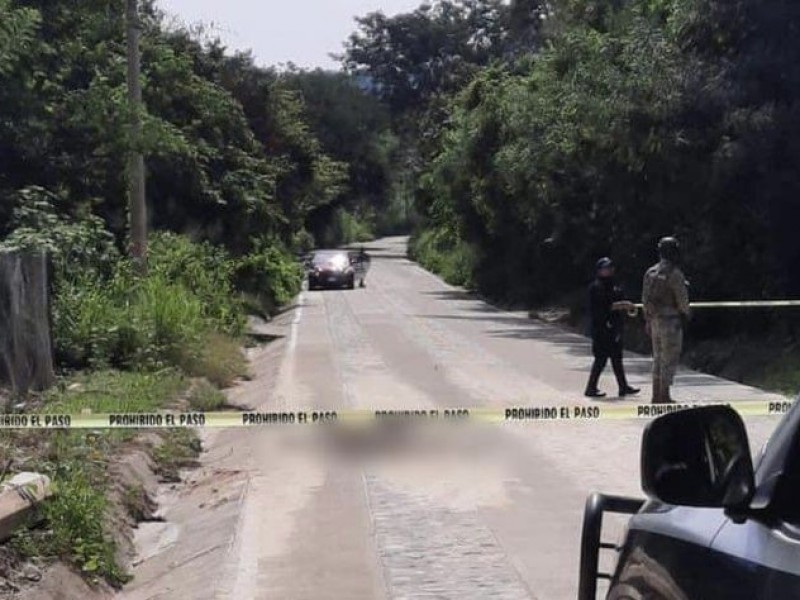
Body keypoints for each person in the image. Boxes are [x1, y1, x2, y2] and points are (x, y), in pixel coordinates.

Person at [642, 237, 691, 404]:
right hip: (671, 322)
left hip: (655, 320)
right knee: (669, 359)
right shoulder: (675, 274)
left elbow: (645, 299)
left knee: (657, 358)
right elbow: (682, 300)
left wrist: (647, 320)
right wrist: (686, 314)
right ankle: (664, 395)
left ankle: (655, 395)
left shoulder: (651, 272)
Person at [584, 257, 640, 399]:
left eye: (610, 268)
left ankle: (623, 387)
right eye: (605, 268)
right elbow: (603, 306)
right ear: (599, 270)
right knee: (601, 360)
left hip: (614, 328)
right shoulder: (596, 287)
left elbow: (619, 302)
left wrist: (626, 308)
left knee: (617, 359)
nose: (608, 270)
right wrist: (623, 304)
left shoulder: (615, 286)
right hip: (601, 328)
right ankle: (591, 388)